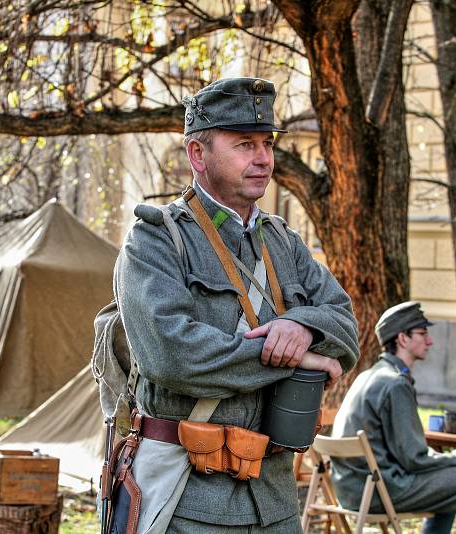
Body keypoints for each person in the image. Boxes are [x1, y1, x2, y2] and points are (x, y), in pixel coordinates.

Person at [114, 77, 360, 533]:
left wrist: (303, 327)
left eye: (266, 143)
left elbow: (345, 324)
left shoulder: (284, 242)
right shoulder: (155, 239)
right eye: (244, 144)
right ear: (197, 154)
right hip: (186, 499)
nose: (263, 158)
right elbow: (173, 355)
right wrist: (298, 357)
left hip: (276, 500)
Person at [331, 301, 456, 534]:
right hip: (381, 491)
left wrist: (454, 462)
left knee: (452, 485)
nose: (429, 341)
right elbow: (415, 458)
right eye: (422, 333)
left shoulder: (369, 375)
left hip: (351, 490)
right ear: (403, 339)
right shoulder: (395, 383)